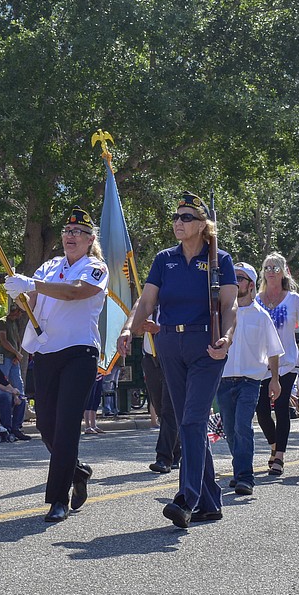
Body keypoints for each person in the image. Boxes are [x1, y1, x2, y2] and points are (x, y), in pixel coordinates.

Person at [118, 192, 237, 528]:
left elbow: (229, 306)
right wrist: (130, 328)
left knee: (192, 421)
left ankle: (186, 499)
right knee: (189, 423)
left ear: (202, 224)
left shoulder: (220, 261)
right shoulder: (164, 259)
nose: (178, 222)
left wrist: (226, 337)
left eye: (186, 217)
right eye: (176, 216)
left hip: (206, 345)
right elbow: (146, 301)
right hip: (170, 342)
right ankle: (211, 501)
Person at [4, 206, 108, 523]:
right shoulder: (49, 267)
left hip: (80, 353)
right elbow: (33, 302)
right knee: (46, 425)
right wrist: (20, 296)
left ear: (90, 239)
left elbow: (76, 293)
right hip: (47, 351)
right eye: (67, 231)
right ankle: (77, 470)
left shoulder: (95, 268)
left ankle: (57, 500)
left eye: (78, 232)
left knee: (65, 427)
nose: (70, 236)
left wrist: (33, 286)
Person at [215, 262, 284, 496]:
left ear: (251, 285)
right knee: (231, 430)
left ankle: (245, 477)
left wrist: (274, 380)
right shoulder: (221, 312)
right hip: (223, 380)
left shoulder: (262, 316)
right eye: (232, 277)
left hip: (250, 381)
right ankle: (239, 470)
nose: (235, 282)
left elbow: (274, 350)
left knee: (243, 426)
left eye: (240, 278)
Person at [254, 252, 299, 476]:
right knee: (261, 409)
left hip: (287, 362)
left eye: (275, 267)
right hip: (262, 364)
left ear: (283, 272)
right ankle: (273, 445)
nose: (270, 271)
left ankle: (279, 456)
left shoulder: (292, 299)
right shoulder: (257, 299)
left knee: (281, 407)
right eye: (267, 267)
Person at [139, 305, 181, 474]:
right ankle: (177, 452)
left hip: (171, 357)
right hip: (150, 360)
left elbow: (183, 328)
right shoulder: (147, 301)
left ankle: (163, 458)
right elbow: (135, 320)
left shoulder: (176, 295)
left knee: (169, 408)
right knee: (159, 408)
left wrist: (158, 329)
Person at [0, 304, 30, 438]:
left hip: (14, 359)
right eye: (19, 312)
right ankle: (5, 425)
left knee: (19, 390)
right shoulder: (2, 322)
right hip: (4, 358)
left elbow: (18, 340)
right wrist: (15, 352)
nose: (20, 315)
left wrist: (18, 354)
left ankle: (17, 426)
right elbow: (3, 341)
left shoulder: (14, 323)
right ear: (15, 311)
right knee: (5, 389)